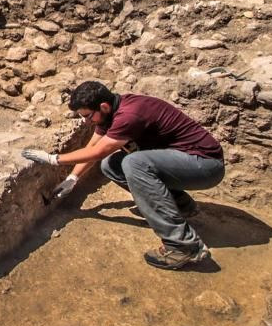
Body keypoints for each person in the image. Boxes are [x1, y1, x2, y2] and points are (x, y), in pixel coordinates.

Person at [22, 81, 224, 270]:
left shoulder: (129, 115)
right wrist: (72, 179)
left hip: (204, 166)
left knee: (134, 162)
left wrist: (53, 159)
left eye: (88, 116)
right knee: (112, 165)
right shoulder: (110, 113)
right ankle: (180, 206)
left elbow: (98, 152)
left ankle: (183, 246)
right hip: (183, 162)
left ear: (103, 107)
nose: (86, 121)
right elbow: (93, 148)